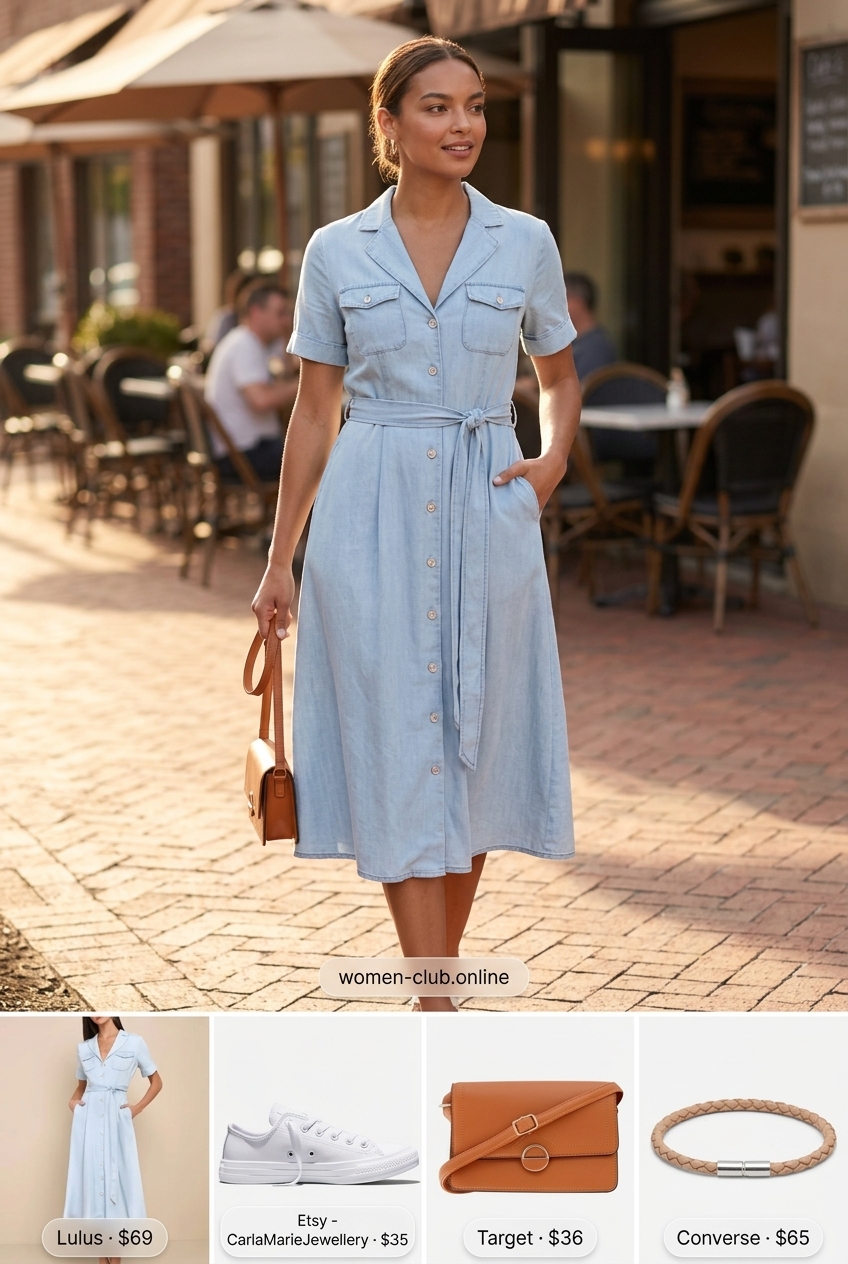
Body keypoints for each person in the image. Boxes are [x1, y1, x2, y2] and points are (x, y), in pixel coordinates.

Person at [251, 36, 582, 1011]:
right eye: (437, 107)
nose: (463, 124)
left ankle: (432, 985)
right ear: (388, 124)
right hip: (368, 514)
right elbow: (315, 412)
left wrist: (551, 460)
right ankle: (433, 997)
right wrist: (279, 561)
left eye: (474, 105)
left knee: (476, 739)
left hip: (489, 498)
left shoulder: (523, 240)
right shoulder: (335, 251)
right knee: (399, 741)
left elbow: (559, 376)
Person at [65, 1016, 163, 1264]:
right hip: (88, 1123)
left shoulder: (134, 1043)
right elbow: (81, 1087)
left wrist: (136, 1109)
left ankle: (115, 1257)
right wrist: (73, 1103)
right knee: (92, 1184)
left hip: (117, 1121)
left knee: (117, 1183)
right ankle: (102, 1258)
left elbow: (156, 1082)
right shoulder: (84, 1048)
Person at [204, 285, 298, 482]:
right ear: (256, 312)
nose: (287, 320)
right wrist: (309, 385)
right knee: (319, 456)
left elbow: (289, 368)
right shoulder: (244, 346)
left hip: (245, 450)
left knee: (314, 449)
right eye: (281, 313)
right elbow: (261, 401)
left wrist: (287, 335)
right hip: (244, 455)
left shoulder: (254, 343)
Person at [563, 272, 618, 381]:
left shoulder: (596, 347)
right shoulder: (574, 342)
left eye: (562, 299)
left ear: (578, 302)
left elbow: (582, 388)